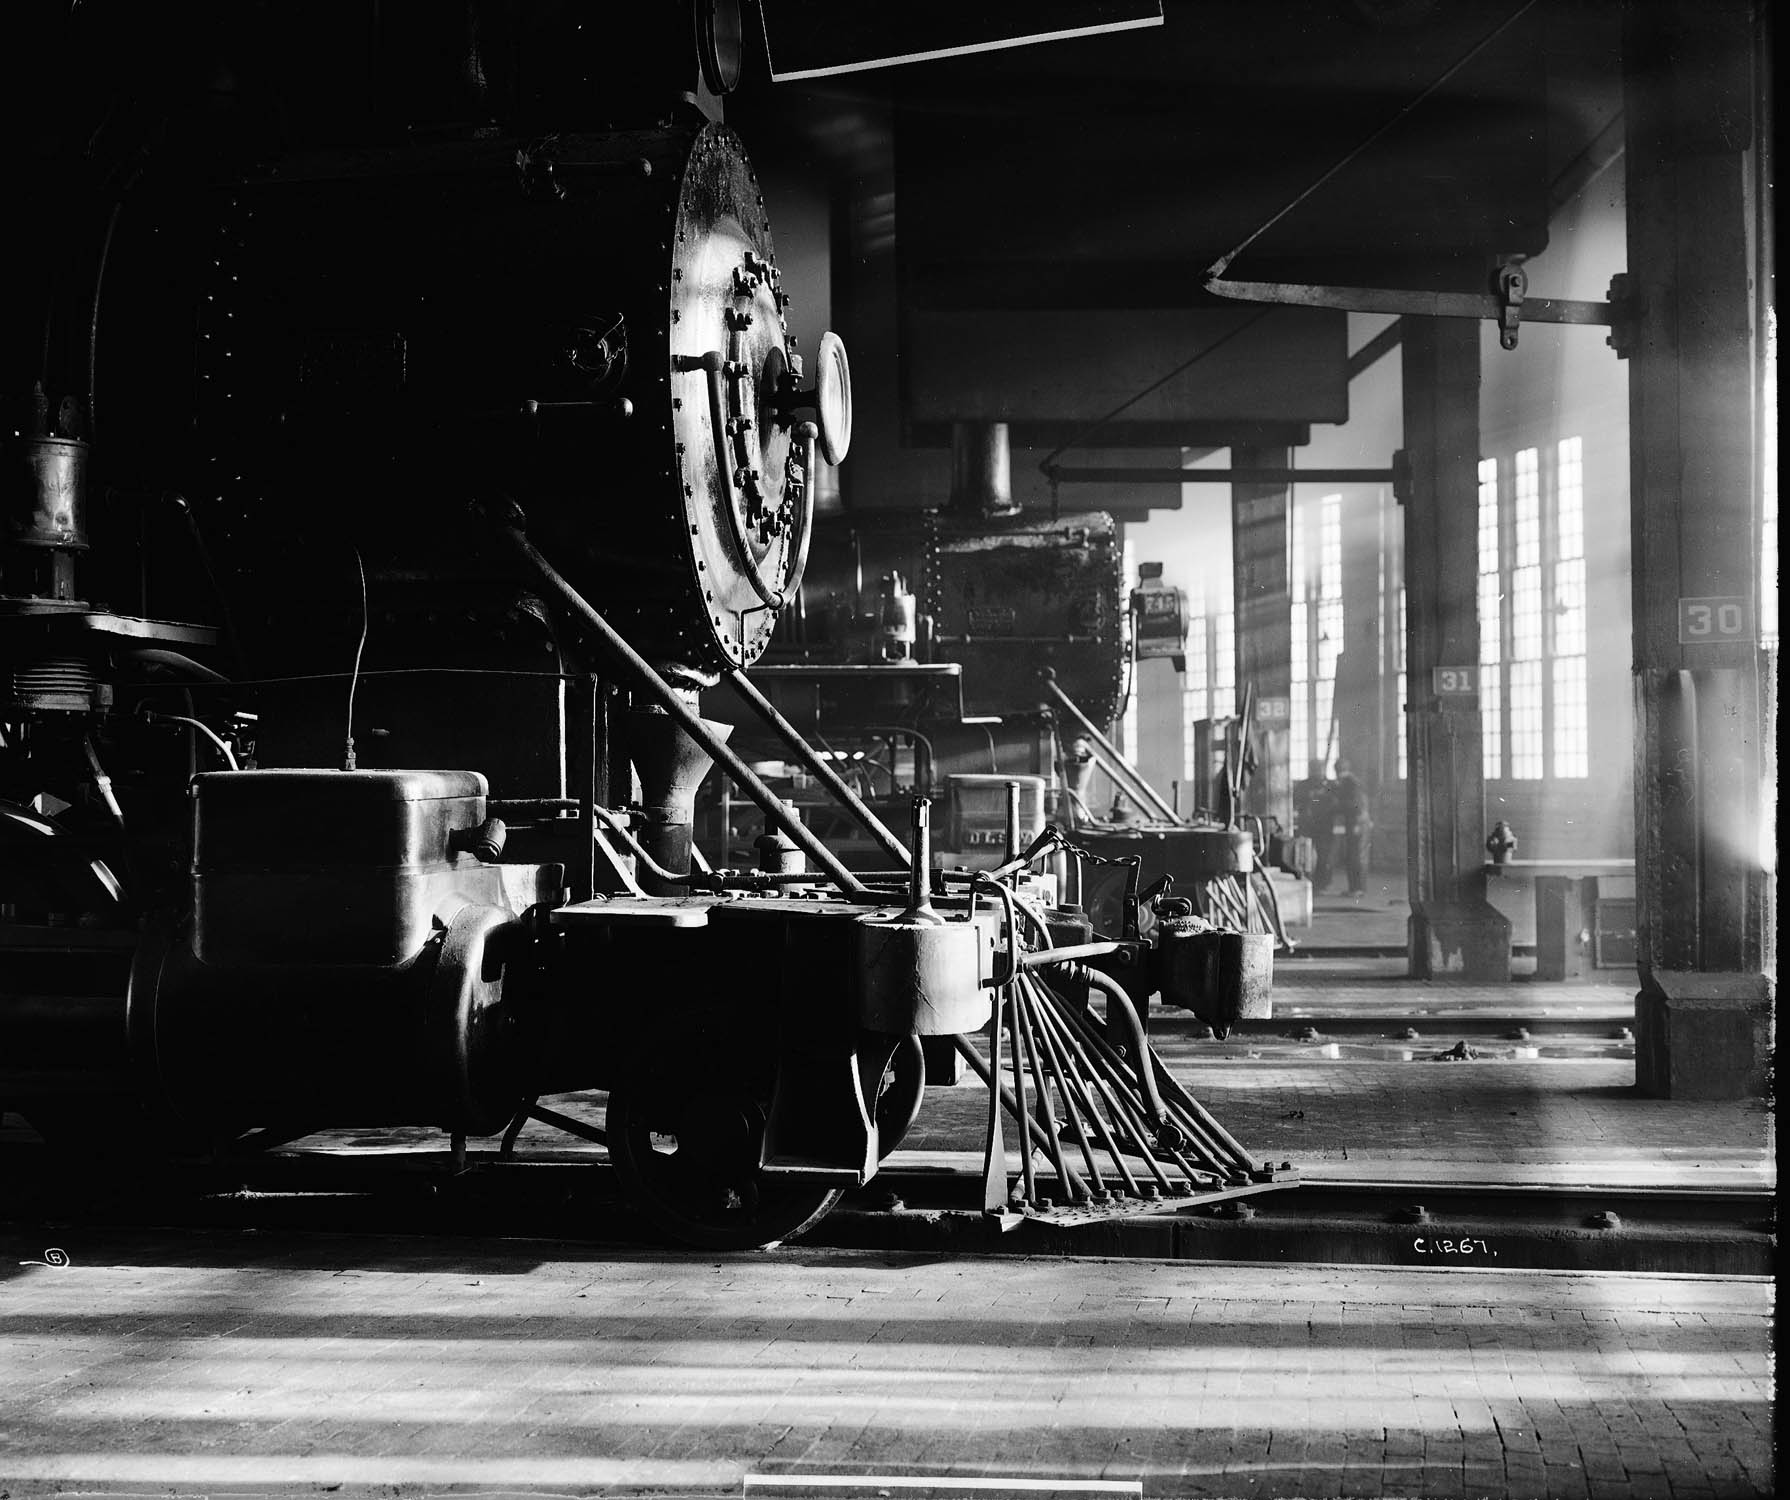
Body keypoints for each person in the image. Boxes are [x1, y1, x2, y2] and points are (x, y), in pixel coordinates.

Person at [1292, 758, 1335, 891]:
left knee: (1324, 855)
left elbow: (1332, 802)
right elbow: (1296, 800)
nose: (1317, 771)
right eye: (1315, 768)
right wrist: (1311, 798)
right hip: (1307, 824)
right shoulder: (1303, 785)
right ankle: (1305, 879)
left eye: (1319, 768)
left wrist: (1316, 797)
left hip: (1324, 825)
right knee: (1304, 854)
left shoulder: (1329, 785)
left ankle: (1323, 883)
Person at [1332, 758, 1370, 895]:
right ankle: (1355, 888)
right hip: (1356, 822)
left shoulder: (1349, 783)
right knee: (1354, 855)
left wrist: (1336, 806)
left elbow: (1355, 804)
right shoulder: (1351, 781)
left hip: (1356, 822)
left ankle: (1358, 888)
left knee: (1356, 856)